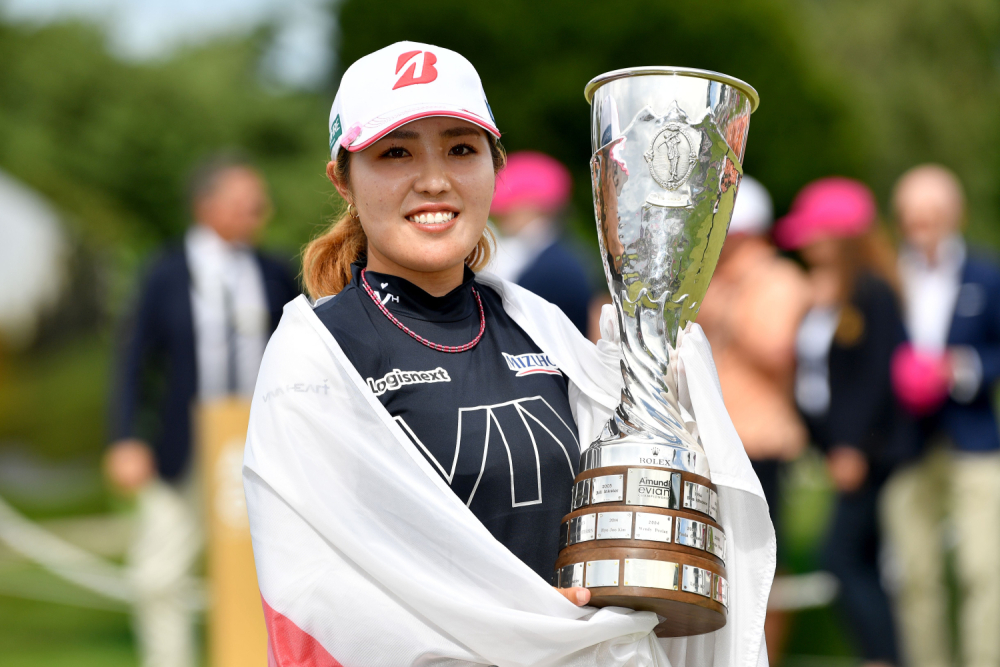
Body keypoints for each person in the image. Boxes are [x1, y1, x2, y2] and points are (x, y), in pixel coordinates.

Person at [241, 41, 774, 666]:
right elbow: (321, 594)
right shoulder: (315, 357)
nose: (434, 179)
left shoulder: (545, 330)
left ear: (495, 167)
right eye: (395, 152)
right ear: (344, 179)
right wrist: (532, 624)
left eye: (461, 149)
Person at [106, 154, 298, 667]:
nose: (260, 213)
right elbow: (132, 359)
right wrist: (125, 437)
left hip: (266, 444)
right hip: (185, 446)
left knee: (272, 573)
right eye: (246, 203)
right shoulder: (165, 270)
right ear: (206, 205)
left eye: (260, 204)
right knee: (158, 574)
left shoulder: (274, 270)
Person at [774, 177, 909, 667]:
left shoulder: (872, 293)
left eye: (815, 232)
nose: (806, 242)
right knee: (863, 560)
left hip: (865, 453)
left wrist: (851, 445)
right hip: (835, 447)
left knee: (843, 556)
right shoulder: (828, 293)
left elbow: (873, 377)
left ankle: (883, 657)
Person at [882, 164, 1000, 667]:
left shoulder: (986, 274)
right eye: (912, 216)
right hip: (906, 440)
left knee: (984, 569)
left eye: (932, 215)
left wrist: (963, 367)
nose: (922, 226)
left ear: (954, 215)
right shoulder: (887, 276)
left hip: (972, 436)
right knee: (914, 575)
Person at [697, 175, 811, 665]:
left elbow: (778, 352)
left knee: (763, 566)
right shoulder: (718, 279)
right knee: (715, 562)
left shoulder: (779, 279)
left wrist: (732, 308)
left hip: (762, 440)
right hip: (716, 439)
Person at [489, 151, 593, 334]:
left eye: (509, 206)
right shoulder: (563, 255)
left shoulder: (550, 269)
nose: (501, 214)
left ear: (531, 205)